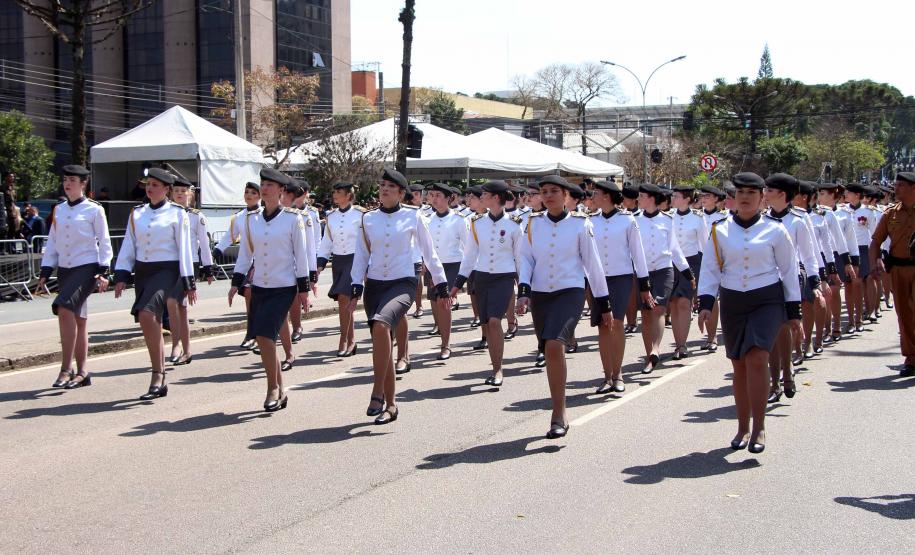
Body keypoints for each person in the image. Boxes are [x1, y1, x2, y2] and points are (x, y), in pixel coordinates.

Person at [698, 172, 802, 454]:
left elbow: (789, 270)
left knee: (757, 358)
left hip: (766, 300)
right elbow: (710, 268)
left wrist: (794, 312)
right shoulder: (720, 229)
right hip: (733, 301)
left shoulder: (775, 230)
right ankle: (743, 426)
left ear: (761, 197)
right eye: (740, 192)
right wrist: (706, 304)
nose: (745, 198)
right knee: (739, 365)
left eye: (751, 193)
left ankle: (759, 427)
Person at [349, 168, 450, 425]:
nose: (384, 189)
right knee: (381, 341)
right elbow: (361, 254)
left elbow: (429, 251)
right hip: (375, 284)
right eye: (382, 185)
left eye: (391, 187)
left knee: (382, 324)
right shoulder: (368, 218)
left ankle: (377, 390)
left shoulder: (413, 216)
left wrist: (441, 284)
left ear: (401, 193)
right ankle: (391, 405)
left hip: (403, 282)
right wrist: (355, 284)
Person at [516, 175, 611, 439]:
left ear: (566, 195)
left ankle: (559, 413)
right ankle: (558, 407)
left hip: (570, 291)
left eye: (554, 191)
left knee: (555, 344)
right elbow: (526, 258)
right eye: (544, 191)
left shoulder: (581, 224)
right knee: (548, 348)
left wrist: (603, 302)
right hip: (541, 293)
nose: (548, 196)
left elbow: (592, 264)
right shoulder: (533, 223)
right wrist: (523, 291)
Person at [229, 168, 311, 411]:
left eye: (270, 185)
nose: (264, 189)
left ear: (281, 190)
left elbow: (301, 256)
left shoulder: (292, 219)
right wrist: (235, 283)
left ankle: (272, 388)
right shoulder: (251, 219)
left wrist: (304, 290)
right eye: (263, 184)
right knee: (264, 339)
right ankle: (280, 389)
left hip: (283, 287)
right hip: (260, 286)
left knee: (266, 336)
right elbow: (246, 254)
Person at [114, 168, 197, 400]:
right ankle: (159, 373)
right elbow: (129, 244)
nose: (149, 188)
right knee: (149, 319)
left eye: (155, 185)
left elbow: (185, 248)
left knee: (146, 313)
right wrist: (121, 274)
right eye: (148, 184)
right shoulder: (137, 213)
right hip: (144, 271)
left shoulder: (177, 213)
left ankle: (157, 374)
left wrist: (189, 281)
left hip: (167, 270)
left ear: (166, 189)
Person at [36, 165, 113, 389]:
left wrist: (104, 269)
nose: (67, 183)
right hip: (66, 269)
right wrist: (46, 269)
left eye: (72, 180)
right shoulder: (59, 210)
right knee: (79, 319)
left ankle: (66, 368)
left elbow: (104, 240)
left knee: (64, 308)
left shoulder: (94, 209)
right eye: (65, 180)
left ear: (83, 183)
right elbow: (53, 241)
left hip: (87, 267)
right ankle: (82, 372)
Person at [451, 180, 521, 387]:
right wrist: (457, 284)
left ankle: (498, 369)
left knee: (494, 321)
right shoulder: (477, 223)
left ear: (496, 198)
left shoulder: (514, 224)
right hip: (482, 277)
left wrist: (525, 287)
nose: (480, 198)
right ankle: (495, 364)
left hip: (504, 277)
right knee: (486, 324)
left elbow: (520, 258)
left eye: (484, 194)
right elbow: (470, 256)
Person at [589, 180, 652, 394]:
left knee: (616, 322)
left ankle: (618, 374)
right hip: (597, 279)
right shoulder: (590, 221)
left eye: (596, 193)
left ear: (607, 196)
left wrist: (644, 285)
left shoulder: (628, 220)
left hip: (621, 278)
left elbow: (638, 254)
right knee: (602, 325)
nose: (593, 197)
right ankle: (607, 376)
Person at [763, 173, 820, 402]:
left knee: (783, 327)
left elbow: (809, 253)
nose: (765, 194)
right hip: (767, 279)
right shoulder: (762, 219)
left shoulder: (798, 220)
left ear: (782, 194)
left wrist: (816, 281)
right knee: (772, 330)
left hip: (792, 278)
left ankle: (786, 373)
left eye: (769, 190)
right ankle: (775, 382)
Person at [635, 183, 694, 373]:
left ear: (652, 198)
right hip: (642, 272)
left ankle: (656, 348)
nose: (638, 199)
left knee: (659, 309)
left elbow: (674, 249)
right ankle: (649, 358)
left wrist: (687, 273)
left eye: (642, 196)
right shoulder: (634, 220)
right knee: (646, 314)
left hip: (664, 270)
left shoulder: (667, 220)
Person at [869, 171, 915, 377]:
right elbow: (875, 242)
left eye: (901, 186)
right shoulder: (890, 214)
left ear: (913, 188)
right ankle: (911, 358)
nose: (896, 189)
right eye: (895, 185)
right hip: (898, 269)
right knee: (904, 314)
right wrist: (875, 262)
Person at [166, 177, 215, 364]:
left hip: (190, 263)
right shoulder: (168, 213)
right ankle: (185, 349)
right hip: (172, 263)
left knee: (172, 301)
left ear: (190, 194)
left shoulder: (196, 216)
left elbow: (204, 243)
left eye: (183, 191)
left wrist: (208, 268)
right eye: (176, 191)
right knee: (181, 307)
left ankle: (177, 344)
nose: (179, 194)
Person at [317, 182, 366, 357]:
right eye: (334, 191)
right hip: (338, 261)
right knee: (343, 302)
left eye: (339, 192)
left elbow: (367, 240)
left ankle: (344, 339)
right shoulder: (331, 216)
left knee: (346, 299)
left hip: (355, 259)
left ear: (348, 195)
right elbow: (327, 241)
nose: (335, 194)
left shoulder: (361, 214)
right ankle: (350, 339)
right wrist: (320, 263)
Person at [214, 181, 263, 350]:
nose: (249, 195)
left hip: (265, 261)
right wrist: (217, 250)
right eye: (247, 192)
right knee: (249, 294)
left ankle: (263, 333)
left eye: (253, 193)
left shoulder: (265, 214)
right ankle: (251, 334)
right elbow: (229, 236)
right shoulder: (239, 217)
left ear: (260, 196)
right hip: (247, 262)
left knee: (262, 300)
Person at [423, 183, 468, 360]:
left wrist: (467, 270)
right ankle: (442, 334)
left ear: (449, 199)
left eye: (438, 195)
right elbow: (423, 246)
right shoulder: (427, 219)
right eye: (432, 195)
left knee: (444, 302)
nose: (434, 199)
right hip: (433, 266)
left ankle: (445, 345)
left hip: (452, 265)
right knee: (435, 303)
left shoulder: (459, 219)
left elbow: (468, 246)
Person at [669, 185, 708, 359]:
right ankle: (678, 343)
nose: (673, 199)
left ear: (687, 199)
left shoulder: (698, 218)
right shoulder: (669, 216)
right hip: (671, 264)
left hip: (691, 263)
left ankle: (682, 345)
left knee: (684, 302)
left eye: (676, 196)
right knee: (674, 303)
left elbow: (704, 246)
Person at [817, 182, 858, 341]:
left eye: (823, 194)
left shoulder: (844, 214)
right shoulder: (815, 213)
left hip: (837, 256)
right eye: (819, 193)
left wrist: (852, 261)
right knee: (824, 294)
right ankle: (827, 328)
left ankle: (837, 326)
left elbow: (849, 240)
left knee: (834, 292)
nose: (819, 197)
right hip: (819, 256)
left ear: (834, 196)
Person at [845, 183, 880, 329]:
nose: (845, 195)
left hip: (863, 250)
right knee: (848, 285)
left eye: (848, 193)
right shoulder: (842, 211)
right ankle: (851, 320)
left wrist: (876, 255)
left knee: (860, 282)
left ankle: (863, 316)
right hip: (846, 251)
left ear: (857, 195)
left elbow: (874, 234)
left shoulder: (868, 212)